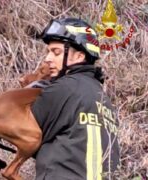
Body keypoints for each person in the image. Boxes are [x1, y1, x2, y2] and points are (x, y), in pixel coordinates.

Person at [31, 18, 120, 180]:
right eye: (48, 52)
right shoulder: (105, 101)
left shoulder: (63, 88)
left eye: (56, 52)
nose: (48, 59)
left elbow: (21, 128)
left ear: (79, 56)